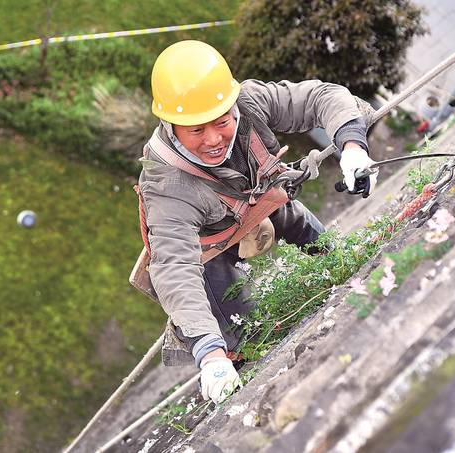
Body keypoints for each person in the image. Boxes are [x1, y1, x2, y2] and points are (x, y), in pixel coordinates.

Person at [137, 40, 378, 404]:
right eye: (197, 131)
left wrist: (352, 146)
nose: (215, 139)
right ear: (171, 124)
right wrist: (210, 353)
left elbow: (319, 97)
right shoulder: (167, 184)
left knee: (321, 242)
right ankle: (233, 357)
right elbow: (173, 265)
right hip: (210, 251)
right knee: (244, 338)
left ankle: (339, 261)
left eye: (221, 122)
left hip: (259, 203)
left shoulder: (249, 103)